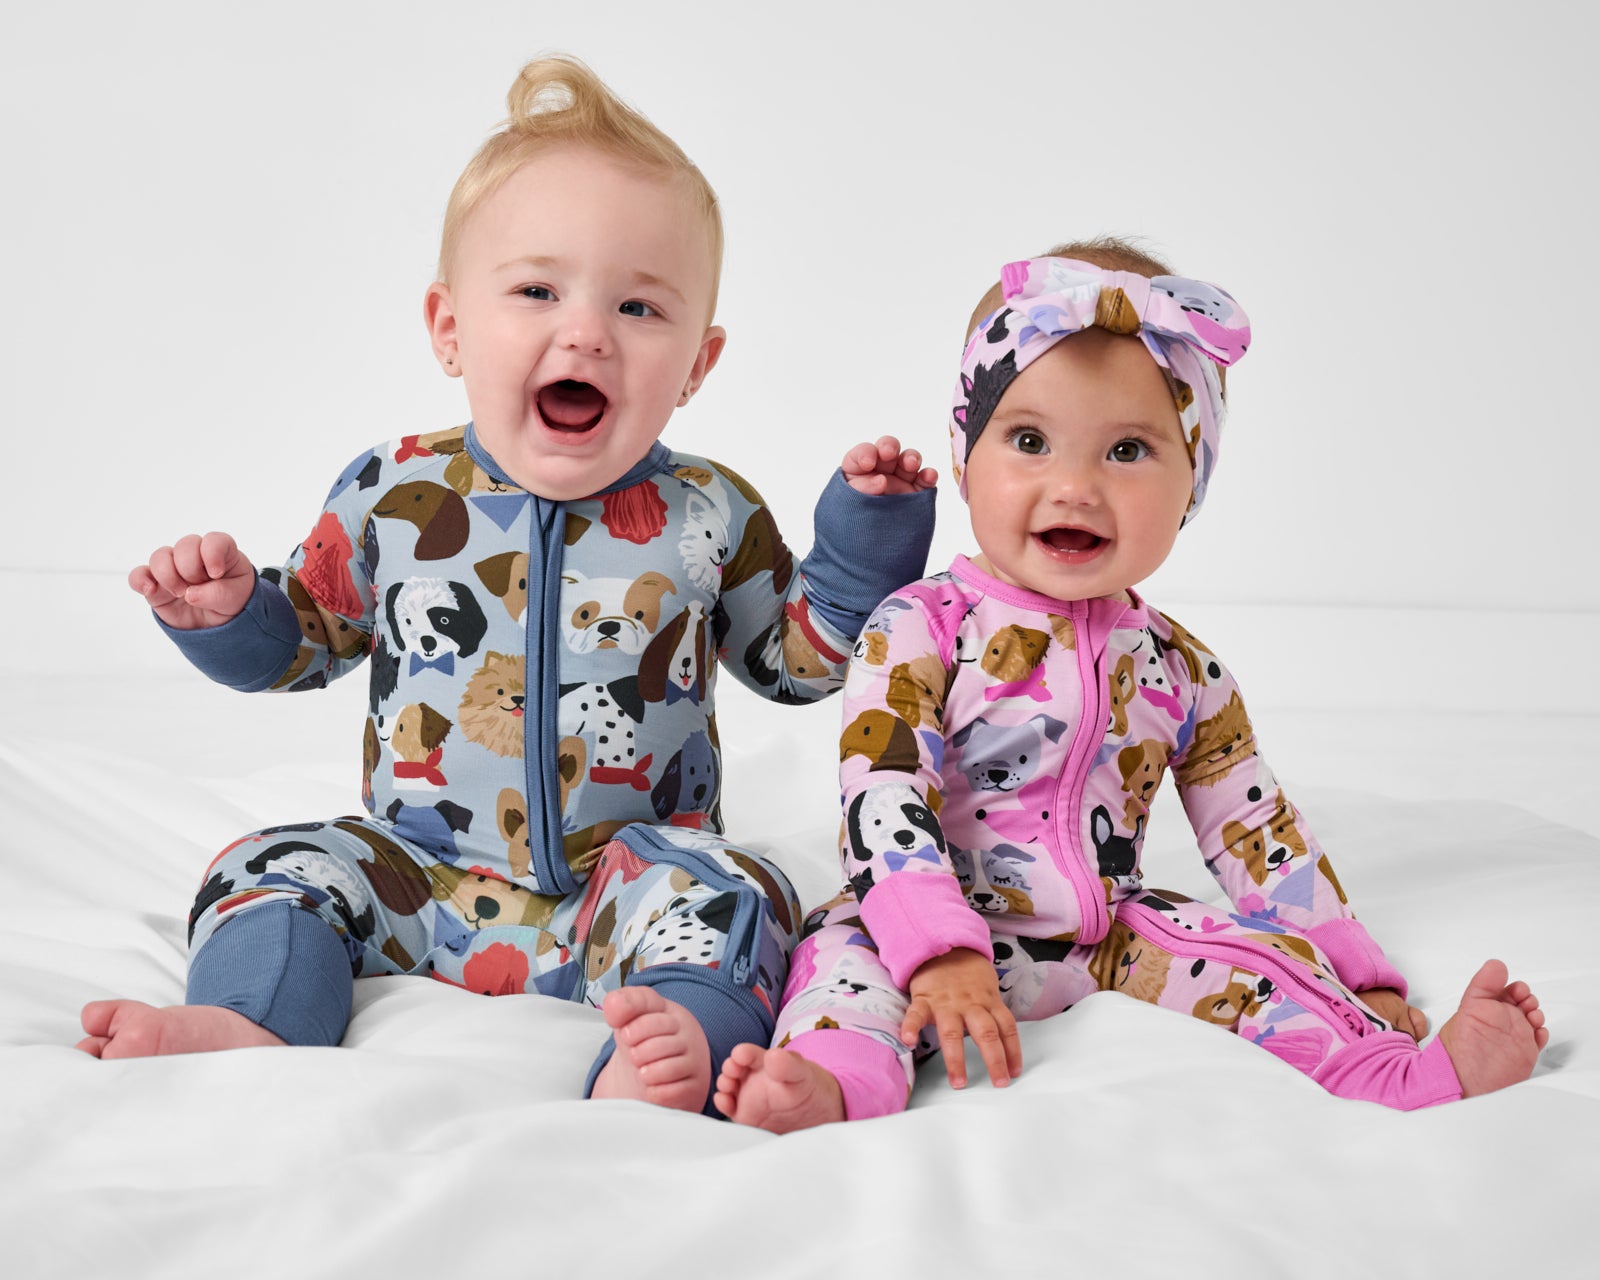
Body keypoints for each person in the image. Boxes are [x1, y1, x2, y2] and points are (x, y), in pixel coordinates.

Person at [74, 55, 937, 1119]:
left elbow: (798, 664)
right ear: (449, 328)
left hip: (626, 882)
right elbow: (309, 636)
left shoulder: (709, 513)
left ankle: (671, 1043)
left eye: (637, 306)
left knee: (740, 892)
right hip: (417, 875)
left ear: (698, 364)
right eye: (536, 290)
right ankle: (251, 1014)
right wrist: (228, 617)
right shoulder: (393, 491)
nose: (584, 331)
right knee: (275, 862)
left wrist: (867, 543)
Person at [714, 239, 1548, 1129]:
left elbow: (1256, 828)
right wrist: (936, 950)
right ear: (966, 459)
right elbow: (880, 795)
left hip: (1105, 936)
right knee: (844, 974)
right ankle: (827, 1083)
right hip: (920, 922)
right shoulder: (920, 626)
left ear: (1192, 485)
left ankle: (1399, 1072)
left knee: (1250, 963)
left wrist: (1356, 974)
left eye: (1128, 450)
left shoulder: (1183, 668)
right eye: (1029, 440)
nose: (1073, 485)